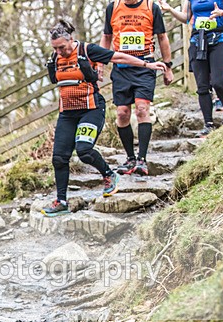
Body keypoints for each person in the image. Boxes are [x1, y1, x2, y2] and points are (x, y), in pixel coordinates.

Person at [41, 19, 166, 217]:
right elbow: (56, 79)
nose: (59, 52)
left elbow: (118, 57)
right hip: (67, 114)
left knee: (83, 149)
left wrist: (146, 64)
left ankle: (109, 175)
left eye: (62, 48)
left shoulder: (86, 50)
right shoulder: (55, 57)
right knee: (59, 158)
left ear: (70, 40)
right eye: (55, 49)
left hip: (91, 109)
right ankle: (62, 201)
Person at [99, 0, 174, 179]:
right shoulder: (113, 7)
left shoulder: (151, 7)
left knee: (142, 109)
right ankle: (130, 158)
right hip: (121, 68)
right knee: (122, 113)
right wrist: (100, 63)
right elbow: (106, 37)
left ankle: (142, 159)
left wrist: (167, 66)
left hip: (145, 65)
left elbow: (162, 37)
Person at [160, 0, 223, 136]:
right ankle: (208, 124)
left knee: (218, 82)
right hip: (198, 40)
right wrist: (170, 10)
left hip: (219, 39)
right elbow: (186, 18)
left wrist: (222, 12)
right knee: (202, 86)